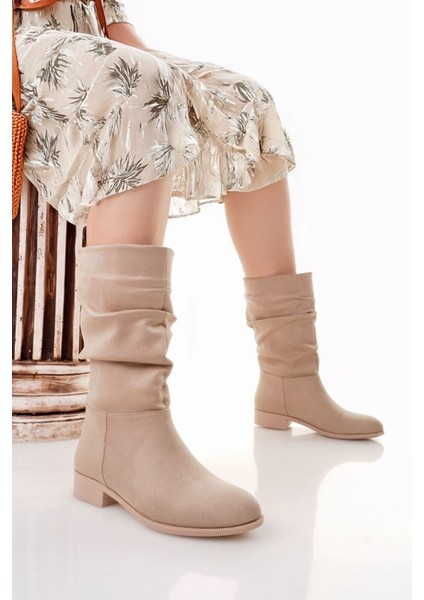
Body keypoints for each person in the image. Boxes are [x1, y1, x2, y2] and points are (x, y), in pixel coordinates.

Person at [14, 0, 384, 538]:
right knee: (134, 82)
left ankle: (290, 375)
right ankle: (125, 426)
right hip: (16, 44)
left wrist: (151, 60)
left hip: (86, 31)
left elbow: (112, 19)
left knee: (243, 100)